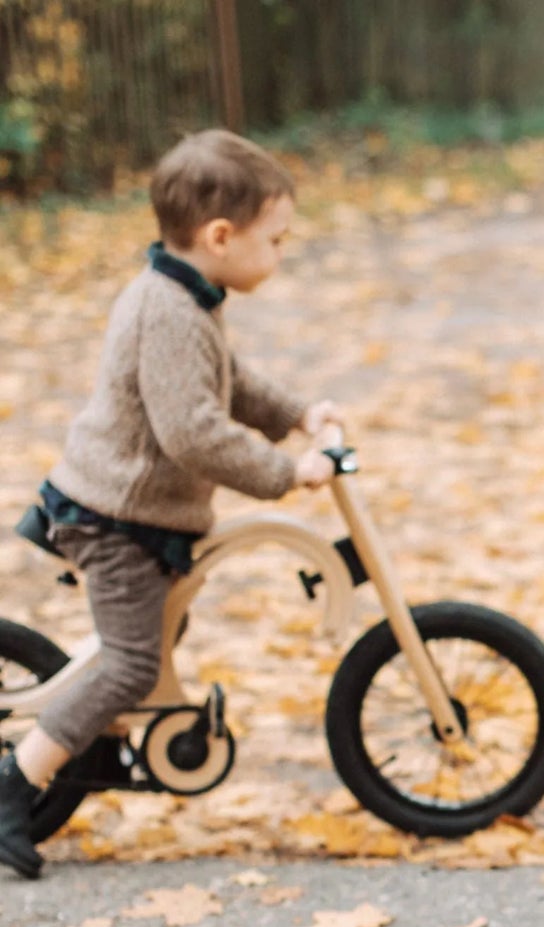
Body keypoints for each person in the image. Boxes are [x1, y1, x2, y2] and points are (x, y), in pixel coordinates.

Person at [0, 129, 342, 880]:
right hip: (113, 519)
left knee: (149, 646)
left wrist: (295, 414)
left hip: (145, 516)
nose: (282, 253)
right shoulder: (166, 311)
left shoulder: (190, 297)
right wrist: (288, 471)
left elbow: (232, 383)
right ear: (221, 236)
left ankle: (96, 730)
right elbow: (192, 432)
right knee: (129, 663)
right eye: (276, 239)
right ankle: (15, 784)